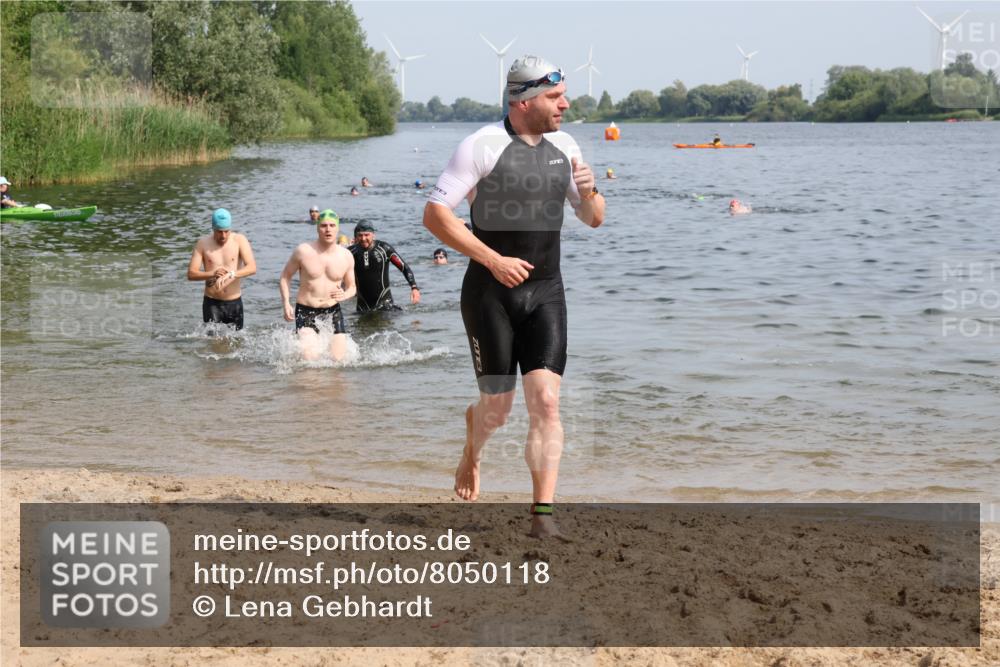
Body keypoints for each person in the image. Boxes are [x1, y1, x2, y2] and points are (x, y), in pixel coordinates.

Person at [422, 55, 605, 538]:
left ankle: (542, 518)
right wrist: (492, 259)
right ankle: (472, 448)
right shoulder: (480, 146)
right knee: (498, 411)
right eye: (554, 97)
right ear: (523, 102)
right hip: (490, 293)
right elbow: (435, 215)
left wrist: (589, 193)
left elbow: (594, 218)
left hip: (547, 291)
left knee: (546, 402)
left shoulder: (565, 146)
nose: (564, 105)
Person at [280, 209, 356, 361]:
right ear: (317, 228)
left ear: (338, 228)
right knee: (310, 359)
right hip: (306, 311)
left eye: (332, 225)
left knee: (338, 361)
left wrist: (345, 294)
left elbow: (352, 287)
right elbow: (285, 277)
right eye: (324, 226)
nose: (328, 229)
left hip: (333, 312)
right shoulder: (303, 251)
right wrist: (286, 303)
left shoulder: (346, 256)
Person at [186, 208, 257, 331]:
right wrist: (211, 273)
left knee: (236, 344)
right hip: (212, 303)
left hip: (234, 302)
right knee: (213, 345)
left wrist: (232, 274)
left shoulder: (239, 240)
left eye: (226, 231)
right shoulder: (202, 244)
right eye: (219, 232)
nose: (223, 236)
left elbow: (252, 267)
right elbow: (191, 274)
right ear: (213, 229)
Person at [348, 221, 420, 312]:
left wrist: (414, 287)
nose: (363, 238)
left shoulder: (384, 249)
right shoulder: (350, 252)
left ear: (373, 235)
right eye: (360, 235)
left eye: (367, 235)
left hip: (385, 306)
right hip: (362, 307)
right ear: (356, 236)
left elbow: (403, 267)